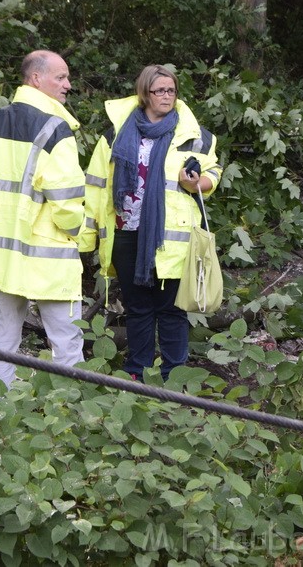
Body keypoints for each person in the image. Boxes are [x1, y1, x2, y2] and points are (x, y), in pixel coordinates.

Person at [0, 51, 87, 387]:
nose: (68, 85)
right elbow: (66, 201)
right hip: (47, 253)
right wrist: (77, 232)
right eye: (61, 77)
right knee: (66, 340)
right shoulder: (57, 129)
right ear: (36, 79)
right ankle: (75, 414)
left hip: (3, 254)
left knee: (4, 334)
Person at [80, 65, 221, 381]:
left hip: (172, 237)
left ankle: (175, 376)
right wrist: (87, 234)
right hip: (126, 232)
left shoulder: (195, 136)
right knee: (138, 307)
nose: (167, 96)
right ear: (145, 93)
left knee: (172, 309)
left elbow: (214, 175)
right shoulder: (116, 133)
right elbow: (96, 183)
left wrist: (196, 182)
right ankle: (138, 373)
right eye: (160, 90)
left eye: (171, 90)